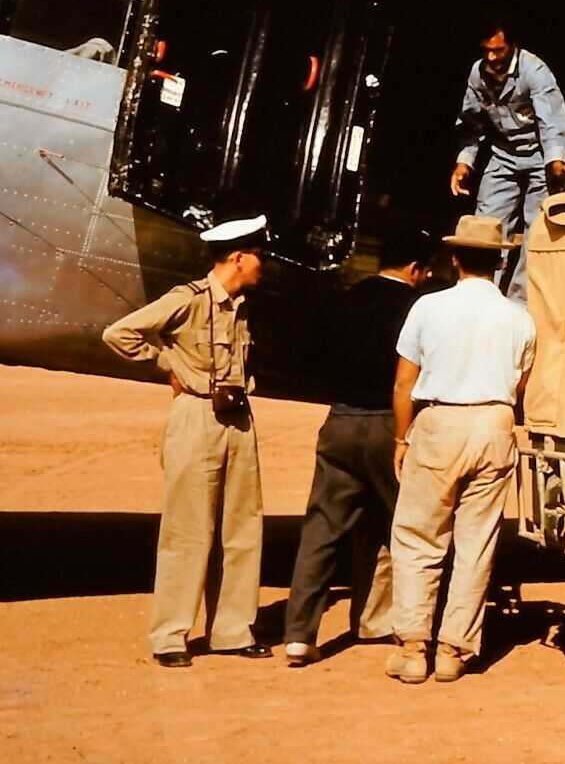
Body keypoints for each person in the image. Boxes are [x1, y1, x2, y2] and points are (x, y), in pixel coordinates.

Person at [101, 215, 272, 667]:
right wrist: (166, 366)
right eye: (259, 255)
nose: (263, 264)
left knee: (242, 527)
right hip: (196, 416)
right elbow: (119, 333)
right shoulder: (188, 299)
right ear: (238, 257)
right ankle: (171, 636)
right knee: (187, 531)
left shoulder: (243, 304)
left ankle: (232, 630)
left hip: (238, 419)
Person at [385, 214, 536, 684]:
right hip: (495, 421)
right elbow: (523, 382)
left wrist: (401, 437)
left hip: (440, 419)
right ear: (498, 261)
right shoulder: (519, 317)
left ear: (454, 259)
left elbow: (404, 382)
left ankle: (413, 648)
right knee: (476, 543)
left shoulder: (428, 308)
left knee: (418, 537)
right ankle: (454, 649)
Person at [282, 228, 436, 667]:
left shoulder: (342, 300)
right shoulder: (416, 308)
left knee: (321, 529)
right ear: (415, 270)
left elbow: (309, 358)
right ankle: (389, 622)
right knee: (404, 526)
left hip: (340, 421)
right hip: (392, 426)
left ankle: (299, 635)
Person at [450, 14, 565, 301]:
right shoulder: (477, 74)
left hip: (539, 157)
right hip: (503, 155)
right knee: (486, 224)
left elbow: (552, 120)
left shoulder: (535, 71)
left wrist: (555, 162)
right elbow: (471, 123)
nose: (492, 57)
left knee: (537, 230)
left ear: (513, 46)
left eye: (498, 50)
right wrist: (464, 161)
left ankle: (519, 300)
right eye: (486, 51)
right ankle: (478, 294)